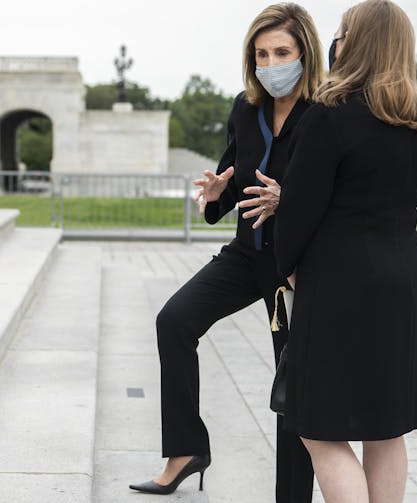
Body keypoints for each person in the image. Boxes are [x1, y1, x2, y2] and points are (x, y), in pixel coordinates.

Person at [129, 3, 321, 500]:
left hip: (295, 266)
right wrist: (218, 191)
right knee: (174, 321)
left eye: (282, 52)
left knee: (291, 385)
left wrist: (289, 201)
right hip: (246, 253)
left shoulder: (327, 113)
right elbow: (235, 176)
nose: (272, 63)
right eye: (262, 53)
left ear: (305, 53)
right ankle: (186, 450)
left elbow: (335, 193)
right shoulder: (246, 106)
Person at [272, 1, 417, 501]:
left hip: (341, 282)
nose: (336, 42)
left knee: (317, 427)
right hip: (406, 277)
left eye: (343, 32)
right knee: (386, 428)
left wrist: (290, 270)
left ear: (356, 43)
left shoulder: (330, 116)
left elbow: (298, 211)